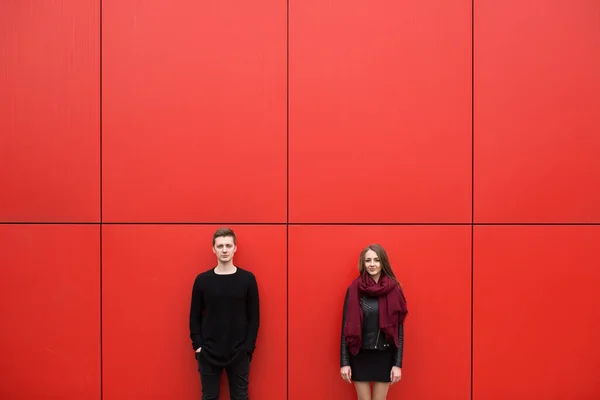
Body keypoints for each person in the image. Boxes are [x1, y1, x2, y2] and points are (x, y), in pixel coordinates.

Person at [189, 227, 260, 400]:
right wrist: (198, 346)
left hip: (239, 353)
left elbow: (254, 318)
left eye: (228, 245)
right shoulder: (202, 280)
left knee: (240, 397)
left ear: (235, 248)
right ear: (213, 249)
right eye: (220, 246)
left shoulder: (247, 279)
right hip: (209, 352)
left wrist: (247, 348)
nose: (225, 250)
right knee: (209, 397)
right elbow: (194, 316)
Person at [340, 244, 408, 400]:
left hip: (384, 355)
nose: (372, 264)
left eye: (376, 260)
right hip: (359, 353)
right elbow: (346, 328)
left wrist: (397, 364)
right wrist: (344, 362)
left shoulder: (394, 289)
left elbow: (399, 330)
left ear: (383, 262)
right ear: (363, 263)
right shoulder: (354, 289)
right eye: (368, 260)